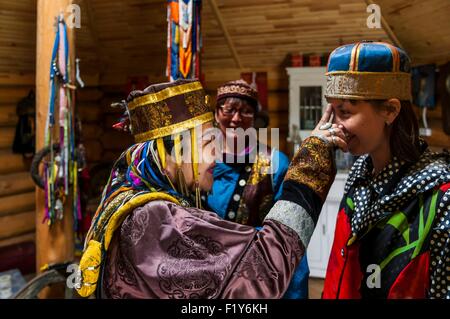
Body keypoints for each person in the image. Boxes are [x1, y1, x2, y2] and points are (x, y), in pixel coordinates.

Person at [76, 79, 347, 299]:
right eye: (208, 145)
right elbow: (260, 269)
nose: (217, 157)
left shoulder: (131, 198)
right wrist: (312, 163)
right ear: (179, 152)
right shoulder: (159, 217)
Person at [321, 41, 450, 299]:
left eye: (345, 112)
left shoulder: (440, 196)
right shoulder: (360, 176)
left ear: (390, 110)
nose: (335, 126)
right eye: (332, 111)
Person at [207, 79, 309, 299]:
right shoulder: (201, 163)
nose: (236, 118)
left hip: (254, 279)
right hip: (206, 275)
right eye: (229, 110)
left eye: (245, 112)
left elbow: (288, 235)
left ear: (254, 119)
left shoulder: (275, 163)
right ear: (216, 114)